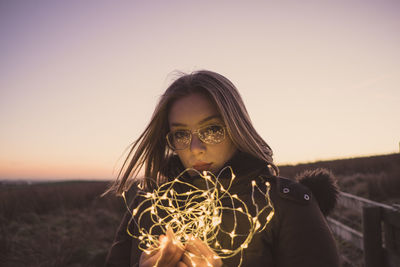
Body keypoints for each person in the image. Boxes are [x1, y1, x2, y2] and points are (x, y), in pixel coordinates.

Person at [105, 70, 340, 267]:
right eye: (181, 134)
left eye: (212, 130)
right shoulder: (148, 204)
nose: (196, 148)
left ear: (237, 128)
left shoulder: (287, 206)